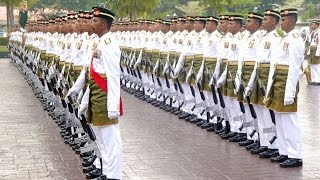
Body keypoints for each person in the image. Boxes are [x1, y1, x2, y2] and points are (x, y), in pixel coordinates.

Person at [78, 6, 123, 179]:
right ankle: (106, 172)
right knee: (102, 140)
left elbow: (113, 76)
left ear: (104, 24)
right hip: (96, 95)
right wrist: (84, 101)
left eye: (94, 21)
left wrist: (113, 106)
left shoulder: (110, 44)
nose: (91, 23)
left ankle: (114, 176)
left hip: (105, 97)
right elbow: (93, 76)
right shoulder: (100, 42)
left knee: (111, 141)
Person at [264, 8, 304, 168]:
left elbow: (294, 67)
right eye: (281, 19)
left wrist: (290, 92)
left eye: (285, 20)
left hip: (287, 82)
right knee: (279, 118)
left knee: (289, 120)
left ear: (293, 21)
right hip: (278, 80)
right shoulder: (284, 38)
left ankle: (295, 155)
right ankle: (284, 152)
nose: (281, 23)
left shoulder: (295, 39)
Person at [306, 19, 320, 85]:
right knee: (312, 65)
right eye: (311, 24)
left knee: (316, 66)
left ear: (317, 25)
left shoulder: (319, 32)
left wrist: (318, 52)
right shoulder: (313, 32)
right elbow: (310, 41)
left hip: (316, 51)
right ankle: (313, 80)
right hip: (312, 50)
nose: (312, 25)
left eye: (313, 24)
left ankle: (318, 80)